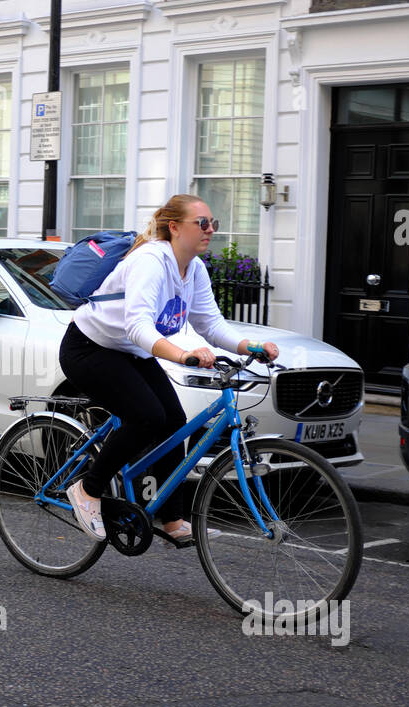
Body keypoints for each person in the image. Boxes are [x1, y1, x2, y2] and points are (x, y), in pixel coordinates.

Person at [58, 193, 280, 545]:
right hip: (89, 348)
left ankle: (173, 519)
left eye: (213, 224)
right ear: (174, 228)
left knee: (174, 423)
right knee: (146, 417)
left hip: (130, 352)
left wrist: (249, 347)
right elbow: (138, 326)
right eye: (202, 223)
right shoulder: (151, 261)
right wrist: (182, 355)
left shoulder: (194, 268)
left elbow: (210, 323)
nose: (210, 230)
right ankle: (88, 489)